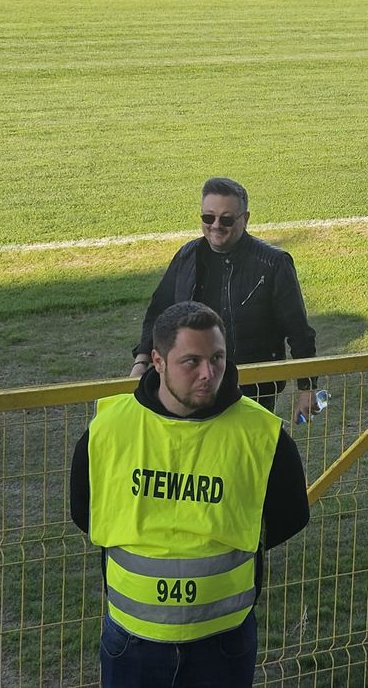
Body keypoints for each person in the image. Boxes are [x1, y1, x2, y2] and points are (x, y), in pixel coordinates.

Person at [71, 301, 310, 687]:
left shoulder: (263, 434)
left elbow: (291, 515)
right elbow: (85, 509)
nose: (208, 373)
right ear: (158, 361)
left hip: (223, 643)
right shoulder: (107, 430)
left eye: (217, 358)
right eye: (191, 361)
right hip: (133, 642)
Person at [130, 177, 317, 420]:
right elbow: (159, 313)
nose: (216, 225)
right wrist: (141, 361)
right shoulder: (187, 255)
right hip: (190, 384)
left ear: (245, 219)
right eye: (208, 218)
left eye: (226, 219)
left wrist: (307, 387)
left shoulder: (274, 264)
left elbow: (298, 330)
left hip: (249, 389)